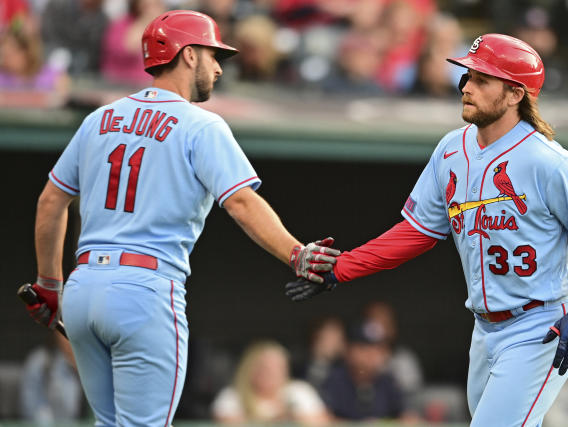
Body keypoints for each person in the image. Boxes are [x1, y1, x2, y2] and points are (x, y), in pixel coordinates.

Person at [285, 33, 568, 426]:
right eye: (467, 76)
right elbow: (416, 232)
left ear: (516, 94)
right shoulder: (451, 149)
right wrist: (342, 267)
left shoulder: (548, 161)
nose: (466, 86)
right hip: (484, 328)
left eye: (482, 79)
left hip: (539, 325)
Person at [25, 10, 339, 426]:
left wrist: (49, 284)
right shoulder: (200, 125)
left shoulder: (98, 119)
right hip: (144, 290)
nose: (218, 69)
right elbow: (242, 203)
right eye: (213, 56)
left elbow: (51, 202)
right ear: (188, 55)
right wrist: (295, 253)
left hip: (83, 289)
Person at [211, 340, 329, 425]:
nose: (271, 373)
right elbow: (227, 422)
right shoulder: (232, 395)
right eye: (264, 367)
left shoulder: (299, 391)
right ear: (249, 369)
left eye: (277, 367)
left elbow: (322, 422)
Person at [319, 319, 409, 422]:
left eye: (378, 348)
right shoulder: (333, 380)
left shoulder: (388, 382)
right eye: (363, 347)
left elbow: (405, 417)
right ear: (348, 350)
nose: (372, 354)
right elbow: (323, 418)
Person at [20, 333, 84, 425]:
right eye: (65, 331)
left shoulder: (98, 365)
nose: (71, 338)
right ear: (56, 334)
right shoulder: (41, 363)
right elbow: (32, 412)